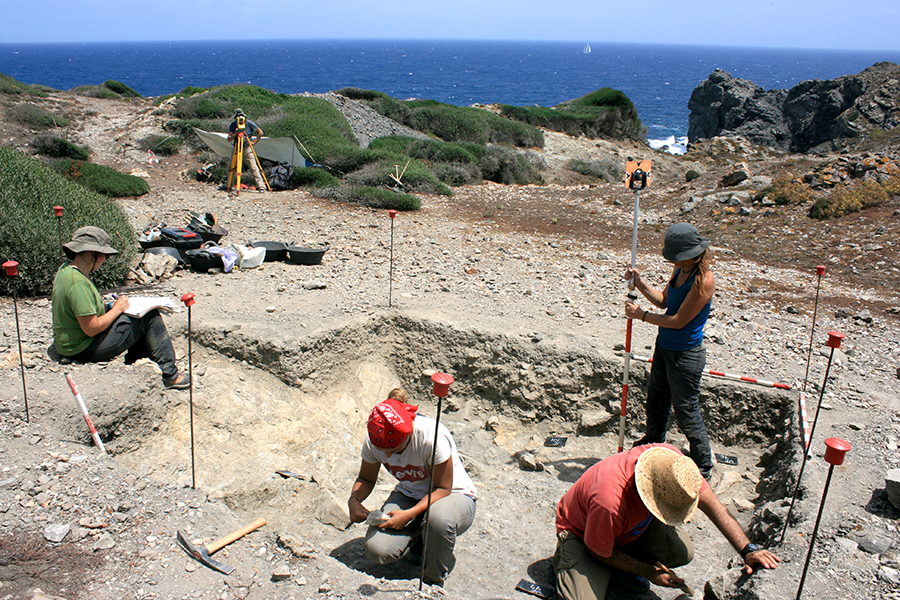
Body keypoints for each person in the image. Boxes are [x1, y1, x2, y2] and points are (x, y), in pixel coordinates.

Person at [553, 444, 780, 600]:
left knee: (682, 552)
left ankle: (617, 569)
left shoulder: (673, 466)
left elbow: (715, 507)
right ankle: (566, 563)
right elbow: (598, 551)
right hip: (583, 536)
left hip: (622, 530)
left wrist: (747, 549)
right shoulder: (609, 500)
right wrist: (648, 571)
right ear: (649, 494)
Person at [347, 388, 477, 587]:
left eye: (394, 451)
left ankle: (432, 581)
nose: (388, 457)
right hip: (410, 494)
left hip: (453, 495)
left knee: (439, 520)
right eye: (383, 451)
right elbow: (366, 477)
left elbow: (443, 488)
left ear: (407, 437)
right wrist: (354, 499)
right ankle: (421, 540)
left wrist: (408, 515)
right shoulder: (376, 440)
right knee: (377, 550)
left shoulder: (430, 436)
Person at [624, 222, 716, 479]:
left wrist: (641, 316)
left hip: (685, 355)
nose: (676, 263)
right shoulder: (680, 272)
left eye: (680, 259)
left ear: (694, 254)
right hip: (664, 347)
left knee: (686, 412)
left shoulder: (703, 280)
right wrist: (640, 283)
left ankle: (703, 467)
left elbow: (678, 321)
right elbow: (665, 301)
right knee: (657, 403)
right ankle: (652, 444)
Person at [51, 226, 190, 390]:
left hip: (69, 344)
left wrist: (110, 307)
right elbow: (91, 328)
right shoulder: (78, 283)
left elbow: (80, 309)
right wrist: (117, 309)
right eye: (103, 255)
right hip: (82, 348)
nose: (104, 260)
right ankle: (170, 375)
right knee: (149, 317)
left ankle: (137, 363)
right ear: (90, 254)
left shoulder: (66, 271)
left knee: (135, 317)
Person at [227, 108, 265, 190]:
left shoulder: (249, 123)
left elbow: (260, 132)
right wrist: (236, 133)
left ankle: (261, 186)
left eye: (241, 116)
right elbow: (229, 139)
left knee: (253, 167)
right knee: (232, 167)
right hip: (237, 146)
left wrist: (254, 142)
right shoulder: (233, 125)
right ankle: (229, 185)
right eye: (238, 116)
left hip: (247, 147)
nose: (240, 118)